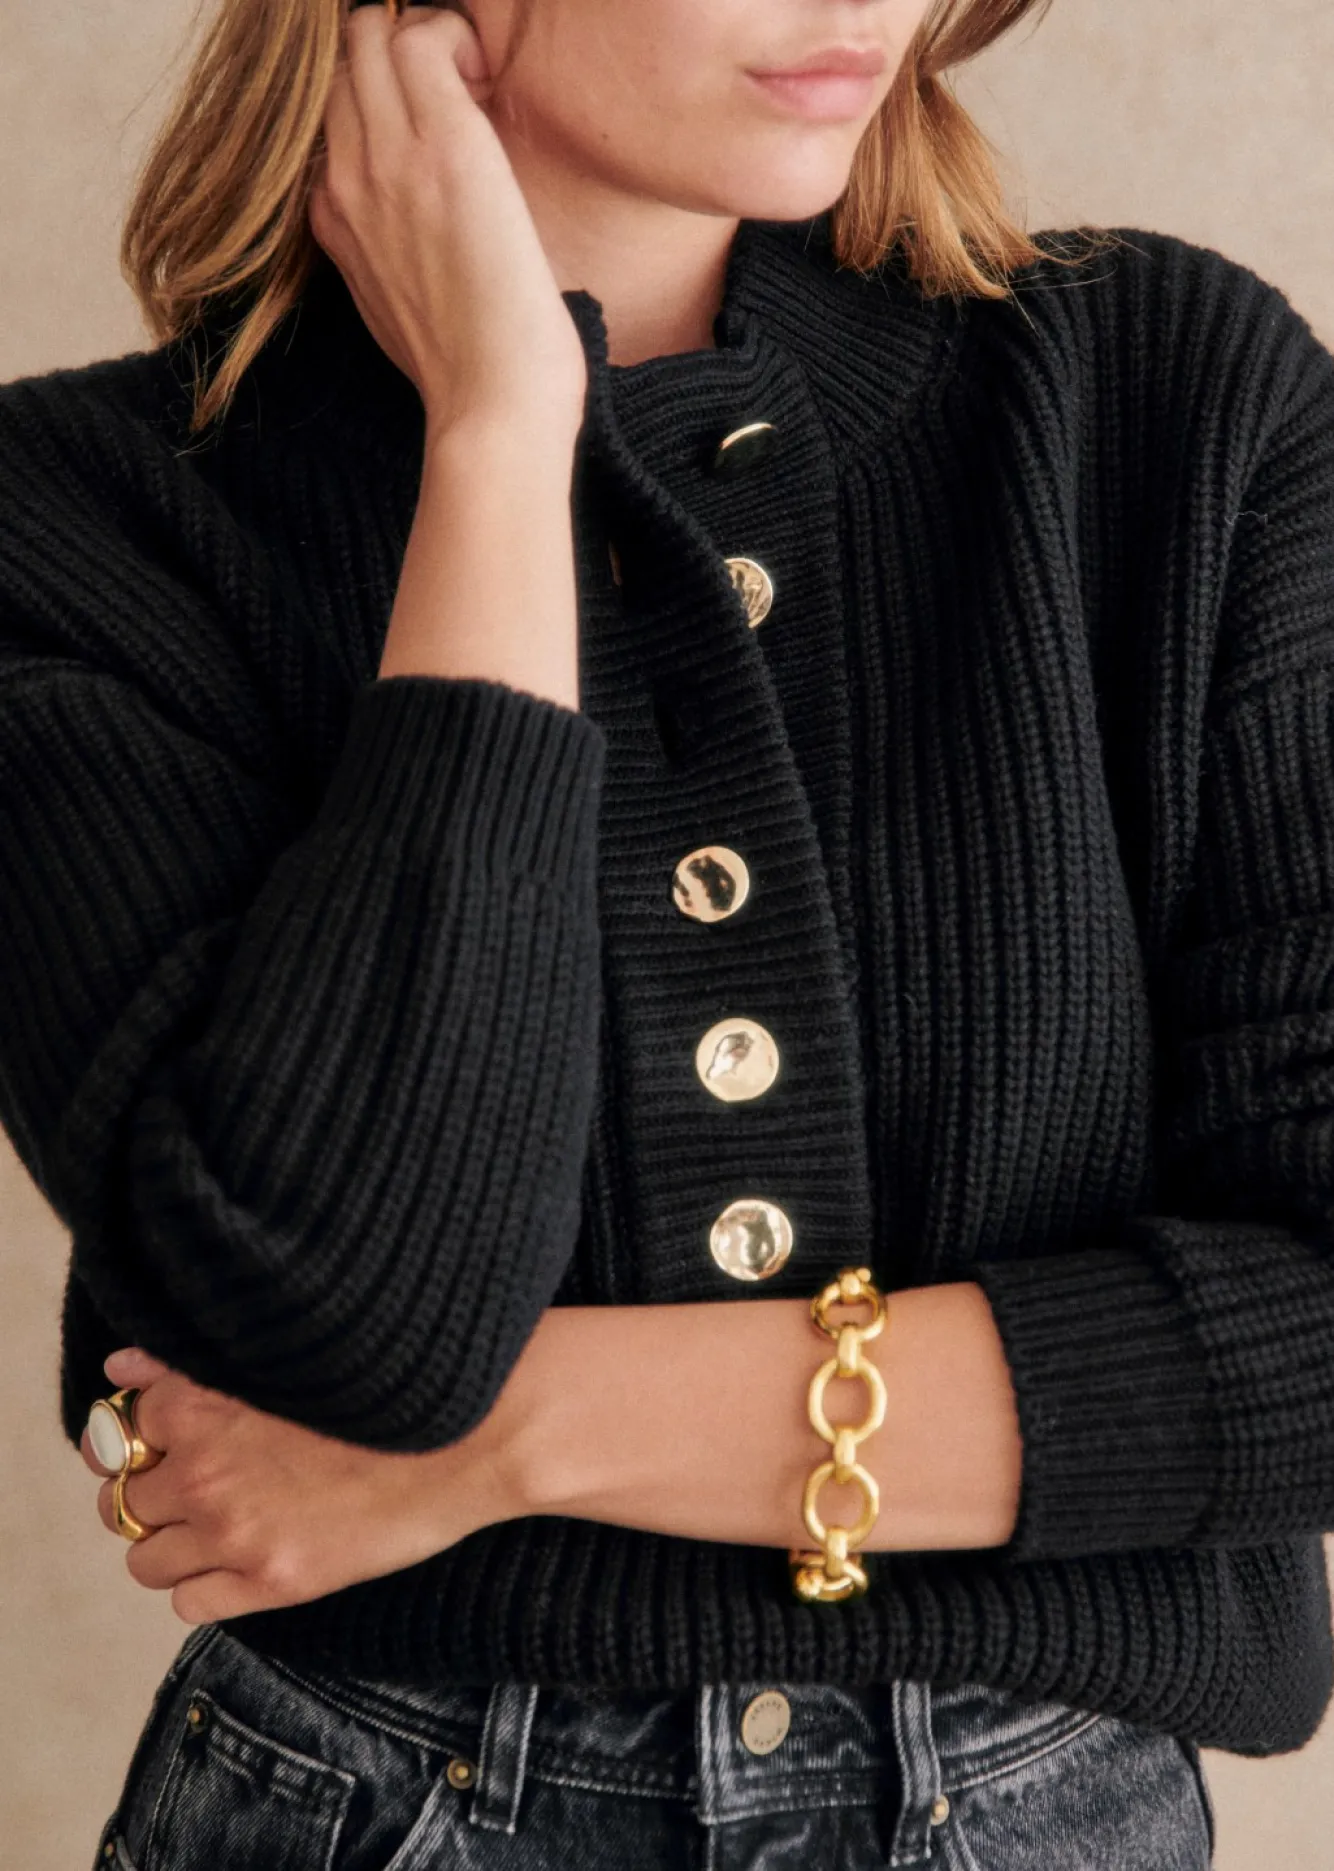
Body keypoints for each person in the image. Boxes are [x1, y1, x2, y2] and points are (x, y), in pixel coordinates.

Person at [2, 0, 1331, 1863]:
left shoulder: (1171, 404)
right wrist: (495, 441)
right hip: (376, 1806)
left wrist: (515, 1435)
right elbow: (340, 1320)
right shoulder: (81, 520)